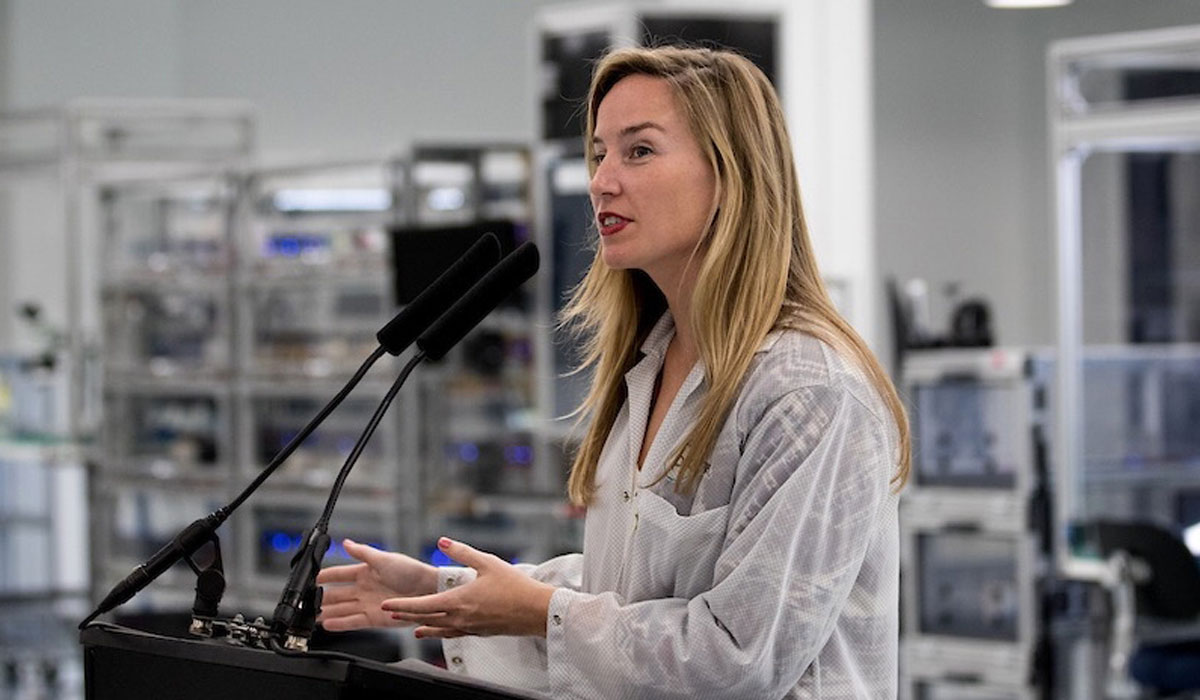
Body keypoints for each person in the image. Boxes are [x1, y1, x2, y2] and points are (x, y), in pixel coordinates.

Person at [317, 45, 911, 699]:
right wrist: (447, 594)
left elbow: (737, 657)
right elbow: (625, 600)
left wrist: (537, 612)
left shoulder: (808, 394)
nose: (601, 180)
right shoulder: (654, 363)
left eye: (639, 151)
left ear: (730, 174)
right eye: (599, 153)